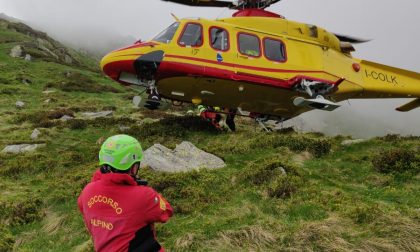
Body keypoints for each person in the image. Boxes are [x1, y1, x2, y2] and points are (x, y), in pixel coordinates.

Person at [78, 134, 173, 252]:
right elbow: (166, 211)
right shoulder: (143, 196)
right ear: (133, 167)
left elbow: (82, 206)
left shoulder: (88, 191)